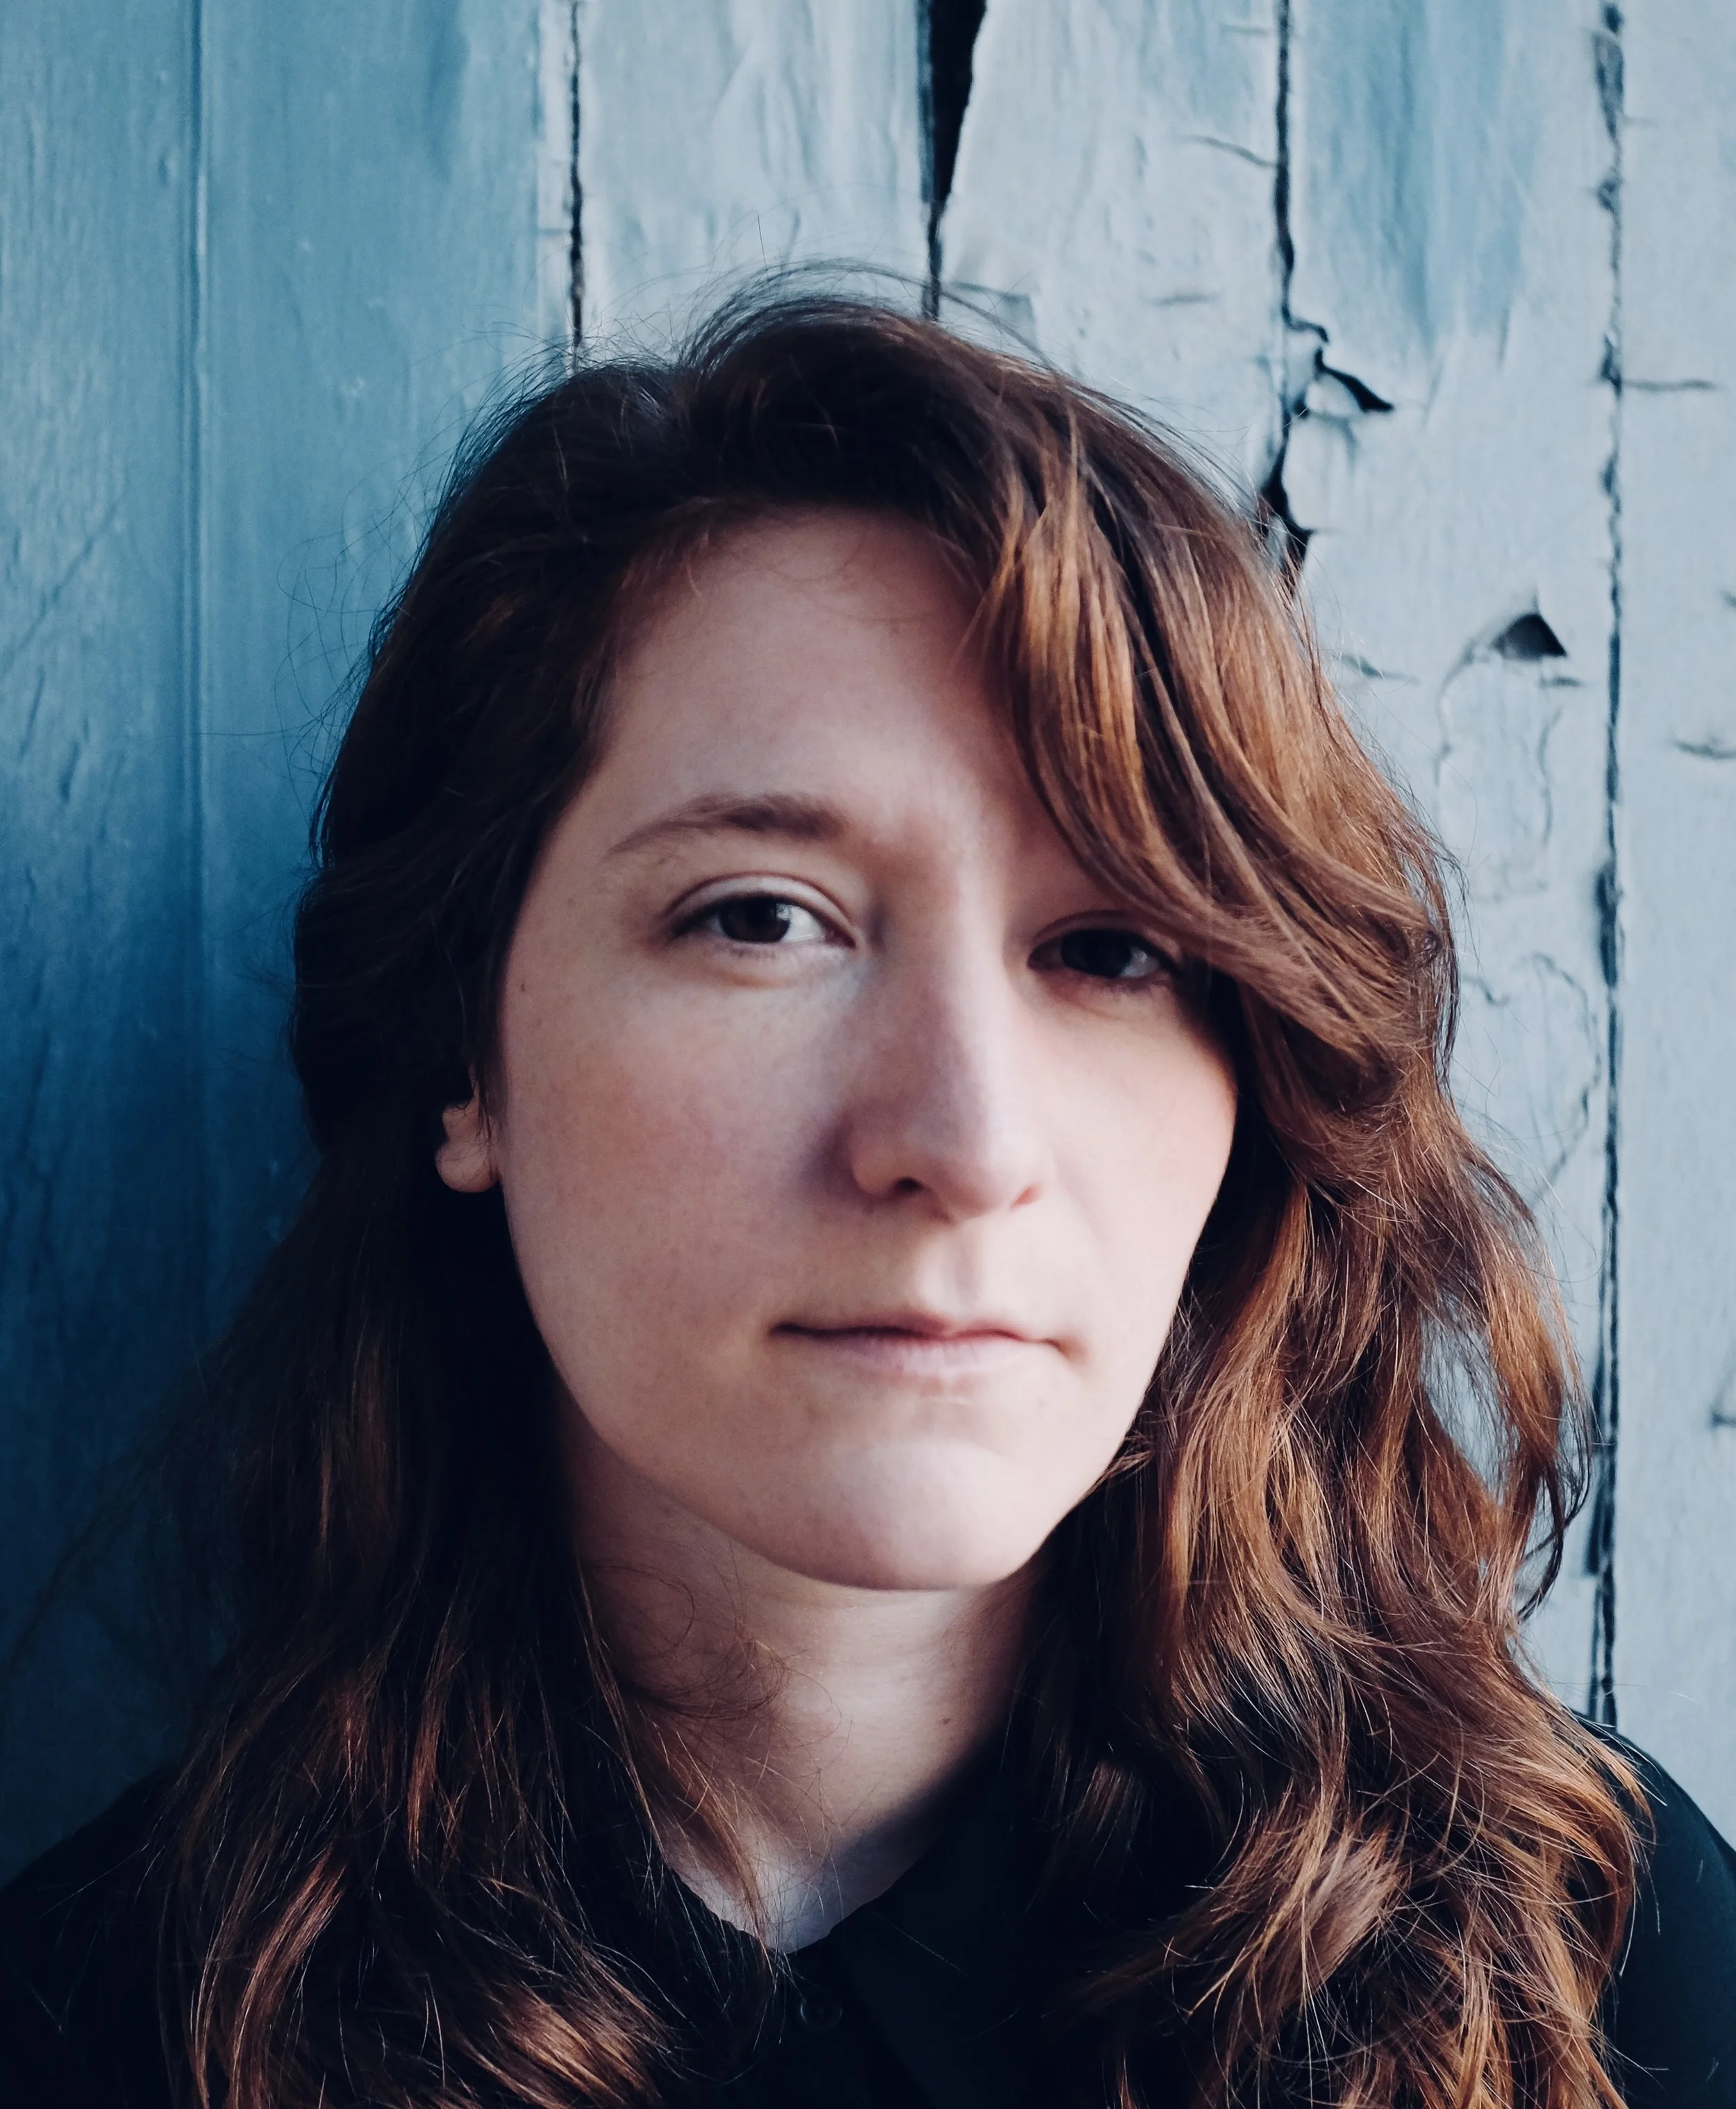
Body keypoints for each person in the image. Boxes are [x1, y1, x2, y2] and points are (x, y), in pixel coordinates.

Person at [1, 291, 1730, 2109]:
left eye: (1109, 949)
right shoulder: (104, 2036)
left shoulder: (1586, 1965)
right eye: (762, 918)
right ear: (462, 1055)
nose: (965, 1140)